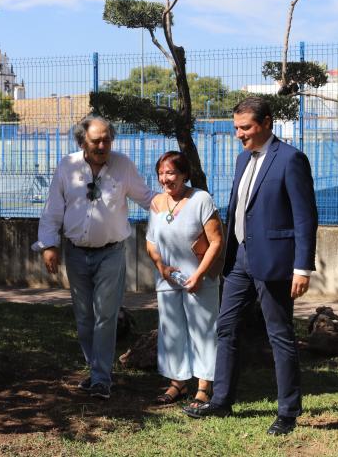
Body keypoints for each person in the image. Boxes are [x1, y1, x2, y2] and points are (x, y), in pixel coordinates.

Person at [183, 97, 318, 436]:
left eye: (245, 128)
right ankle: (222, 399)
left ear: (267, 123)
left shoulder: (291, 159)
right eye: (236, 128)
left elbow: (305, 218)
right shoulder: (243, 159)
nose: (239, 135)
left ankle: (288, 412)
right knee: (225, 328)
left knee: (280, 334)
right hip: (240, 258)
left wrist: (302, 267)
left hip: (275, 262)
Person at [32, 116, 155, 400]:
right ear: (81, 142)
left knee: (106, 316)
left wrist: (175, 201)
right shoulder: (67, 166)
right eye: (96, 140)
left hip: (111, 253)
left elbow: (146, 197)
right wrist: (49, 245)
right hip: (75, 253)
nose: (102, 145)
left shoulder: (122, 165)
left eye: (107, 140)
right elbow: (53, 208)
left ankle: (101, 378)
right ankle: (95, 368)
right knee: (85, 316)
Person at [145, 151, 223, 406]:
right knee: (172, 332)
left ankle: (204, 386)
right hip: (168, 281)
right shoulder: (157, 203)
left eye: (171, 173)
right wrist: (161, 267)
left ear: (184, 175)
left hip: (200, 281)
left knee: (203, 332)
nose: (166, 179)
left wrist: (199, 275)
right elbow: (151, 243)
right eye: (161, 174)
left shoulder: (201, 199)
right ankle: (177, 383)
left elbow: (216, 241)